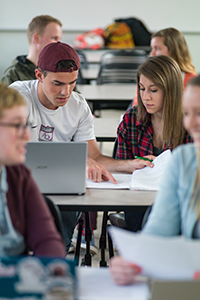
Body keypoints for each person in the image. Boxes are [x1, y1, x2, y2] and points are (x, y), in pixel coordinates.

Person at [9, 41, 149, 252]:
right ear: (39, 75)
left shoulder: (79, 105)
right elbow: (12, 151)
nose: (66, 92)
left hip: (58, 188)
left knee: (62, 215)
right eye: (57, 83)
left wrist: (129, 165)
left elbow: (95, 157)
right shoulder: (18, 97)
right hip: (16, 181)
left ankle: (60, 250)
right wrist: (78, 160)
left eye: (72, 83)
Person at [110, 74, 200, 285]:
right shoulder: (184, 160)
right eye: (187, 113)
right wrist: (134, 260)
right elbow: (160, 227)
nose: (191, 123)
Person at [114, 55, 192, 232]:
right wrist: (130, 165)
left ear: (170, 90)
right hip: (137, 199)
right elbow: (120, 169)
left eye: (154, 90)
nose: (145, 97)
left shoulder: (189, 122)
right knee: (140, 215)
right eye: (141, 89)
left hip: (178, 199)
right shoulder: (131, 120)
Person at [0, 82, 66, 257]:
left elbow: (47, 239)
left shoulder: (18, 174)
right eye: (16, 126)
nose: (27, 135)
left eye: (26, 125)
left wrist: (52, 272)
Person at [132, 27, 197, 106]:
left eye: (157, 48)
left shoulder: (192, 80)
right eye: (152, 48)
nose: (152, 54)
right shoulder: (146, 78)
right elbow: (137, 111)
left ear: (173, 51)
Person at [1, 15, 62, 85]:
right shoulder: (13, 75)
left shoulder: (59, 70)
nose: (59, 43)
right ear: (36, 38)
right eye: (54, 38)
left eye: (59, 39)